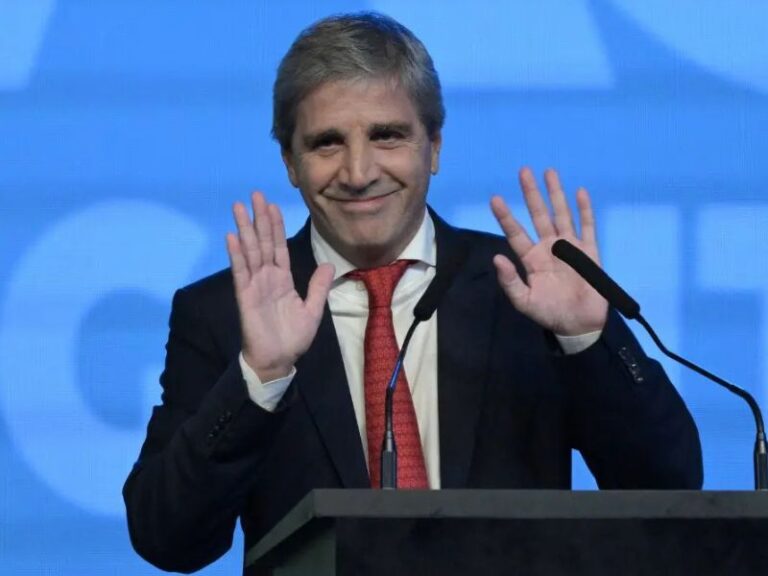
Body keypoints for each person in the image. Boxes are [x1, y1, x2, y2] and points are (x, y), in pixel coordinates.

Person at [123, 12, 702, 574]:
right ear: (290, 163)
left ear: (435, 146)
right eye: (327, 143)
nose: (358, 172)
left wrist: (585, 339)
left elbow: (669, 489)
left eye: (387, 136)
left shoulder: (528, 290)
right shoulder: (223, 315)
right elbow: (168, 541)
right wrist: (260, 380)